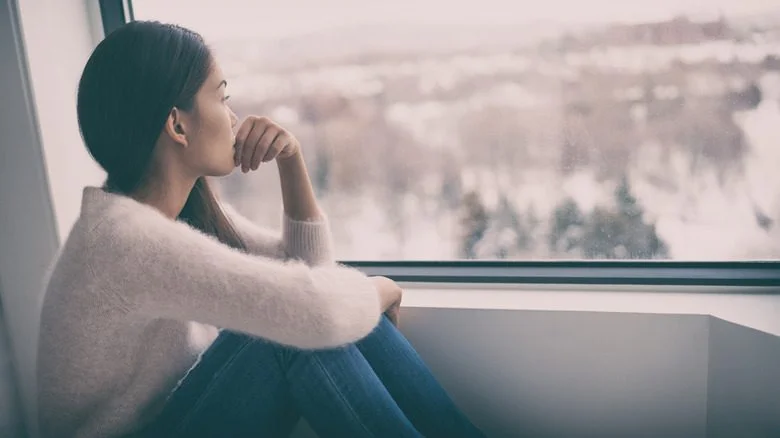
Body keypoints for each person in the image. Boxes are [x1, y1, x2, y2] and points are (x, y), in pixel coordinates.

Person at [36, 20, 485, 438]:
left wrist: (292, 163)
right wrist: (380, 290)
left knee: (311, 318)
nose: (233, 117)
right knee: (294, 330)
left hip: (181, 416)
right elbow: (317, 312)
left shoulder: (171, 214)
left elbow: (310, 274)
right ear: (177, 124)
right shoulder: (125, 241)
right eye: (223, 97)